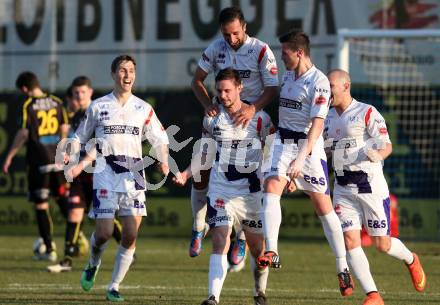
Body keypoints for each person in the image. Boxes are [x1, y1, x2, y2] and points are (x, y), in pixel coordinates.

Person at [258, 30, 354, 296]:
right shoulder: (288, 75)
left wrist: (300, 159)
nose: (282, 57)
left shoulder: (319, 82)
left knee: (324, 208)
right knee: (271, 189)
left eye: (285, 52)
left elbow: (317, 126)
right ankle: (272, 250)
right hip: (282, 143)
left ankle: (342, 268)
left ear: (299, 52)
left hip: (308, 148)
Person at [68, 55, 169, 301]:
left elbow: (160, 139)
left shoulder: (143, 108)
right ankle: (93, 263)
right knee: (103, 233)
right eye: (123, 70)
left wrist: (164, 160)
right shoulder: (98, 106)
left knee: (130, 234)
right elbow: (79, 137)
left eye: (131, 70)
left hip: (134, 174)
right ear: (113, 74)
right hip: (105, 172)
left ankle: (114, 286)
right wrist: (71, 158)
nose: (128, 75)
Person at [325, 69, 426, 305]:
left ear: (345, 86)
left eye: (330, 86)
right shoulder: (326, 117)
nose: (326, 91)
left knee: (383, 244)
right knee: (350, 241)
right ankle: (373, 295)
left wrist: (377, 154)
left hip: (370, 187)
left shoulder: (366, 111)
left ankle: (411, 259)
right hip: (342, 188)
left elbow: (387, 144)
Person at [174, 68, 273, 305]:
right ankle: (212, 297)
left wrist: (277, 177)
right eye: (218, 91)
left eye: (227, 90)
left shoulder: (260, 118)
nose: (223, 96)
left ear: (240, 88)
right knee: (220, 239)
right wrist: (187, 173)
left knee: (258, 250)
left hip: (251, 193)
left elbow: (274, 150)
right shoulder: (212, 117)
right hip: (221, 188)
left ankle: (259, 292)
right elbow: (205, 152)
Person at [190, 6, 279, 265]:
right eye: (226, 34)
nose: (231, 39)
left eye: (236, 33)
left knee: (252, 177)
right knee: (200, 169)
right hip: (222, 120)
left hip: (252, 121)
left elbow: (272, 88)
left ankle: (241, 237)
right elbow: (196, 80)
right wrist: (208, 104)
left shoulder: (260, 50)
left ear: (245, 28)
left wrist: (253, 108)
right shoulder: (216, 48)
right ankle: (198, 226)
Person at [47, 76, 124, 273]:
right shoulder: (74, 116)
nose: (79, 96)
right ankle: (66, 260)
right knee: (74, 212)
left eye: (82, 92)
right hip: (79, 174)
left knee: (104, 217)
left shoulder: (99, 111)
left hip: (100, 171)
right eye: (75, 93)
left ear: (90, 92)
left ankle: (127, 249)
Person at [2, 71, 70, 262]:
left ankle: (49, 249)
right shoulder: (57, 101)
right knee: (62, 198)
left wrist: (9, 156)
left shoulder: (28, 105)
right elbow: (65, 127)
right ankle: (75, 236)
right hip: (57, 161)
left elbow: (23, 133)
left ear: (24, 88)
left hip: (39, 162)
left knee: (41, 205)